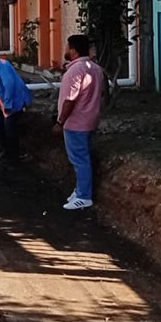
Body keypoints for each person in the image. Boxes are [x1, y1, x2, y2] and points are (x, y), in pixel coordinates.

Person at [55, 34, 104, 210]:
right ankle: (80, 190)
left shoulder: (75, 71)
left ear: (73, 50)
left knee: (79, 159)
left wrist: (60, 122)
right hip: (91, 120)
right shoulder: (95, 68)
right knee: (83, 157)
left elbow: (69, 100)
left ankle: (84, 196)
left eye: (67, 47)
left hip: (75, 123)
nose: (66, 51)